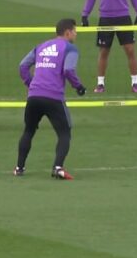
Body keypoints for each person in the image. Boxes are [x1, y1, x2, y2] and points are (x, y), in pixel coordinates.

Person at [15, 18, 86, 179]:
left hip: (33, 96)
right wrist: (79, 87)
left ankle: (19, 168)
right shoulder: (70, 49)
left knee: (29, 130)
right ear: (67, 32)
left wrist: (30, 83)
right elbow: (68, 70)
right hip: (53, 97)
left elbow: (23, 66)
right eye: (75, 31)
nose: (76, 34)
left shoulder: (41, 46)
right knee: (64, 133)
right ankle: (58, 167)